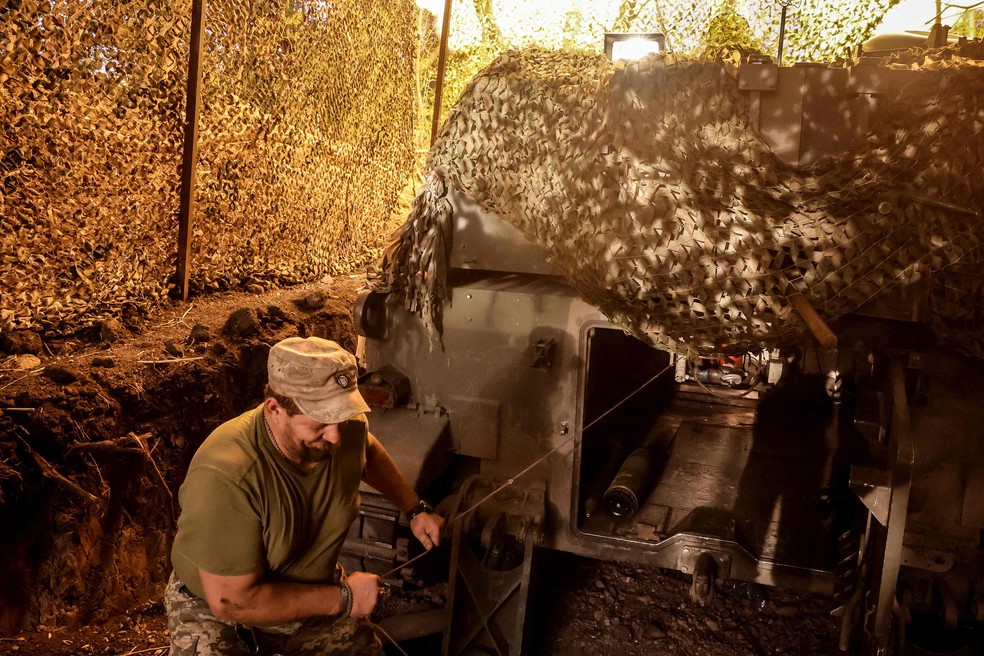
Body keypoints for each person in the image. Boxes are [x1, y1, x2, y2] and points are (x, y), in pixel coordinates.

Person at [165, 336, 445, 655]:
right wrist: (345, 598)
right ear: (274, 409)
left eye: (341, 417)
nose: (336, 436)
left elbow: (365, 448)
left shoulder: (343, 430)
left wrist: (414, 508)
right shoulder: (226, 474)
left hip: (310, 588)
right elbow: (232, 601)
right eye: (321, 423)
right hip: (221, 606)